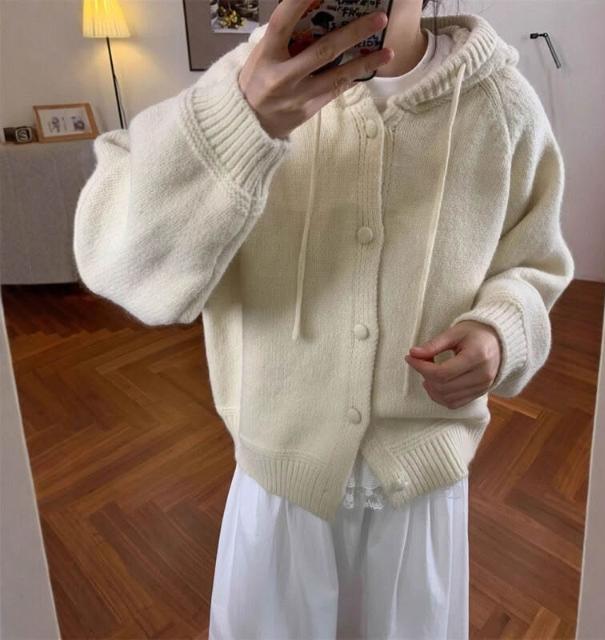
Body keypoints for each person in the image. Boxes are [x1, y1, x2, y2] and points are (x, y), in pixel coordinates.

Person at [73, 0, 575, 638]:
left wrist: (500, 333)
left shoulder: (500, 103)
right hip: (279, 474)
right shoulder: (241, 87)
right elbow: (116, 263)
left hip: (419, 482)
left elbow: (533, 262)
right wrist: (239, 122)